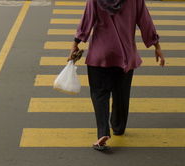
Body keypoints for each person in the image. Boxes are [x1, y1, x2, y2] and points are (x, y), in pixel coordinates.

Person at [69, 0, 165, 151]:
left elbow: (87, 20)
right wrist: (156, 46)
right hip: (125, 55)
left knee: (99, 93)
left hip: (100, 54)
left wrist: (76, 43)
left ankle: (103, 133)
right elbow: (145, 21)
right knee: (121, 93)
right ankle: (118, 126)